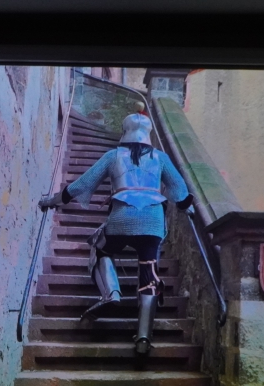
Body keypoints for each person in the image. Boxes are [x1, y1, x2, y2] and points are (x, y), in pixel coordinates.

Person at [39, 105, 193, 355]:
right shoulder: (160, 158)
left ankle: (111, 294)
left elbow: (82, 184)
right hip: (153, 220)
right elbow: (179, 189)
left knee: (101, 248)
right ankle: (143, 338)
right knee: (149, 272)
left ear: (124, 132)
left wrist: (52, 201)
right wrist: (188, 208)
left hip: (121, 217)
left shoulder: (114, 156)